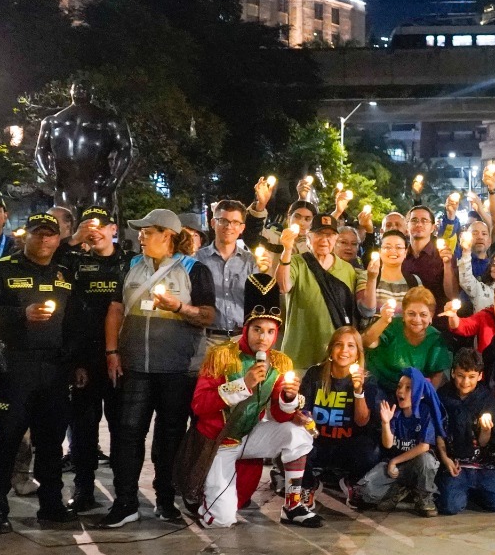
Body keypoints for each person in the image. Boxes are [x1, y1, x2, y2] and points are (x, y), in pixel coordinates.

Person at [103, 209, 217, 528]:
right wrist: (112, 351)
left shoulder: (195, 269)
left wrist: (179, 307)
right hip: (135, 367)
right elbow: (114, 311)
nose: (140, 237)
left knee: (170, 437)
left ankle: (166, 500)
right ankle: (125, 501)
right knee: (127, 433)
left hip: (178, 370)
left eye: (147, 232)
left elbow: (208, 316)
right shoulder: (130, 266)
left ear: (166, 235)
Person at [0, 212, 76, 528]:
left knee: (51, 442)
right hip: (14, 368)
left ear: (58, 239)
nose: (44, 240)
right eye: (38, 233)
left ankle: (51, 505)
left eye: (50, 234)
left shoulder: (64, 274)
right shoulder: (2, 269)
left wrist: (75, 362)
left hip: (55, 369)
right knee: (6, 441)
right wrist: (21, 313)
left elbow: (76, 322)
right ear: (25, 236)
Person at [189, 309, 313, 527]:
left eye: (270, 331)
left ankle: (293, 505)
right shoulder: (222, 355)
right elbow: (199, 405)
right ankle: (204, 496)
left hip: (250, 436)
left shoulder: (280, 363)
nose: (263, 338)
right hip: (219, 442)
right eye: (257, 330)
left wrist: (288, 397)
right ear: (246, 329)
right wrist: (243, 384)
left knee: (298, 434)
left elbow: (279, 415)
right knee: (221, 521)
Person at [66, 206, 125, 513]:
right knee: (83, 429)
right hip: (86, 360)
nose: (95, 230)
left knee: (122, 428)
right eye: (88, 225)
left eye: (101, 225)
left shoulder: (130, 261)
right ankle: (84, 489)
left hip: (121, 359)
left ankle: (124, 491)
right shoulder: (76, 261)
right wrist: (74, 239)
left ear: (113, 228)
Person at [299, 325, 381, 512]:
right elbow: (303, 409)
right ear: (331, 350)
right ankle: (309, 484)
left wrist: (358, 391)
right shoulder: (315, 374)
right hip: (318, 441)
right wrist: (305, 418)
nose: (344, 351)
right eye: (339, 345)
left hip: (348, 445)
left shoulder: (368, 380)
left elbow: (362, 422)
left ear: (358, 353)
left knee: (372, 451)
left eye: (351, 346)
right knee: (290, 441)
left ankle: (350, 482)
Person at [434, 349, 495, 514]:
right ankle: (460, 490)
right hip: (455, 465)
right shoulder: (442, 397)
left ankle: (474, 491)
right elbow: (438, 432)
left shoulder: (488, 401)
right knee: (450, 506)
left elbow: (487, 443)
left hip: (483, 466)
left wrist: (486, 431)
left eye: (471, 376)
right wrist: (446, 459)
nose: (465, 381)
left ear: (480, 376)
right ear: (453, 373)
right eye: (460, 375)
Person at [354, 368, 443, 516]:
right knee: (366, 490)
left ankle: (424, 497)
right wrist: (385, 423)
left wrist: (394, 461)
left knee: (427, 461)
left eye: (408, 388)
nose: (401, 391)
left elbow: (424, 446)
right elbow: (388, 444)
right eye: (400, 386)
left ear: (420, 394)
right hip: (398, 469)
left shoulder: (425, 412)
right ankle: (399, 490)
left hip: (416, 466)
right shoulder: (396, 412)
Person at [277, 212, 358, 372]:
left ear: (336, 239)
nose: (324, 240)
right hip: (299, 355)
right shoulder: (296, 262)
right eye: (319, 234)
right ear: (308, 237)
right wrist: (286, 250)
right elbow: (283, 286)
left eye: (330, 235)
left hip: (334, 357)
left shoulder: (347, 269)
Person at [364, 285, 453, 391]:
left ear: (431, 316)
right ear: (403, 313)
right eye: (411, 314)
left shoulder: (435, 338)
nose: (417, 319)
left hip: (411, 393)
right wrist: (383, 320)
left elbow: (437, 375)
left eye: (423, 315)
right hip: (378, 386)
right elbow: (366, 342)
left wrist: (423, 398)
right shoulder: (391, 326)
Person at [197, 200, 254, 345]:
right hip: (207, 339)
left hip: (241, 340)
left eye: (235, 222)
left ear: (242, 228)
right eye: (223, 221)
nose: (229, 227)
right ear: (213, 223)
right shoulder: (197, 260)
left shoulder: (251, 262)